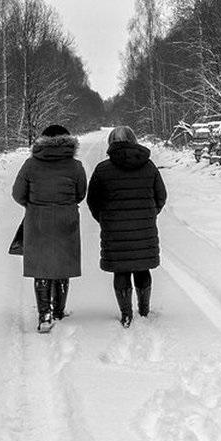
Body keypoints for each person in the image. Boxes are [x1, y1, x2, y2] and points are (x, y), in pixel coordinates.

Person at [87, 126, 167, 328]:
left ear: (110, 143)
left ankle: (126, 314)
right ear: (134, 140)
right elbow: (161, 196)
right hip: (144, 227)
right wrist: (149, 215)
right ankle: (144, 309)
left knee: (120, 270)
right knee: (142, 267)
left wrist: (105, 219)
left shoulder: (103, 169)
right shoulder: (148, 167)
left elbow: (93, 201)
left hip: (114, 230)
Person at [12, 125, 87, 333]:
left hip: (37, 220)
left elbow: (17, 194)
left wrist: (34, 205)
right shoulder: (75, 166)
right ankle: (59, 311)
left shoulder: (30, 165)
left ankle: (44, 314)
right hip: (66, 220)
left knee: (41, 268)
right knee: (63, 265)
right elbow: (80, 194)